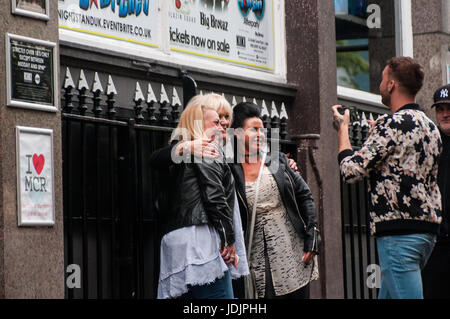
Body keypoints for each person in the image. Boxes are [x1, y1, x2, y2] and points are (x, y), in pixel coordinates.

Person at [332, 57, 442, 299]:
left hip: (398, 233)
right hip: (426, 230)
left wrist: (342, 131)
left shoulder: (392, 125)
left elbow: (351, 171)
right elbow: (404, 162)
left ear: (391, 84)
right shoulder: (431, 127)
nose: (380, 84)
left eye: (382, 79)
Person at [229, 102, 320, 299]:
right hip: (255, 256)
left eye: (262, 130)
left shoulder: (277, 160)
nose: (260, 134)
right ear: (237, 134)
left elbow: (305, 196)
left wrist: (312, 238)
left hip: (292, 251)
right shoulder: (229, 170)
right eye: (254, 129)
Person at [152, 94, 240, 299]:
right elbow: (215, 196)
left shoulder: (188, 149)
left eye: (226, 118)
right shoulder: (206, 148)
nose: (223, 124)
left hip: (178, 239)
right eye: (217, 120)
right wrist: (229, 238)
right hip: (201, 241)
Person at [422, 84, 450, 298]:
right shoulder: (431, 142)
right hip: (436, 240)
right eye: (440, 109)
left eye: (449, 108)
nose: (445, 114)